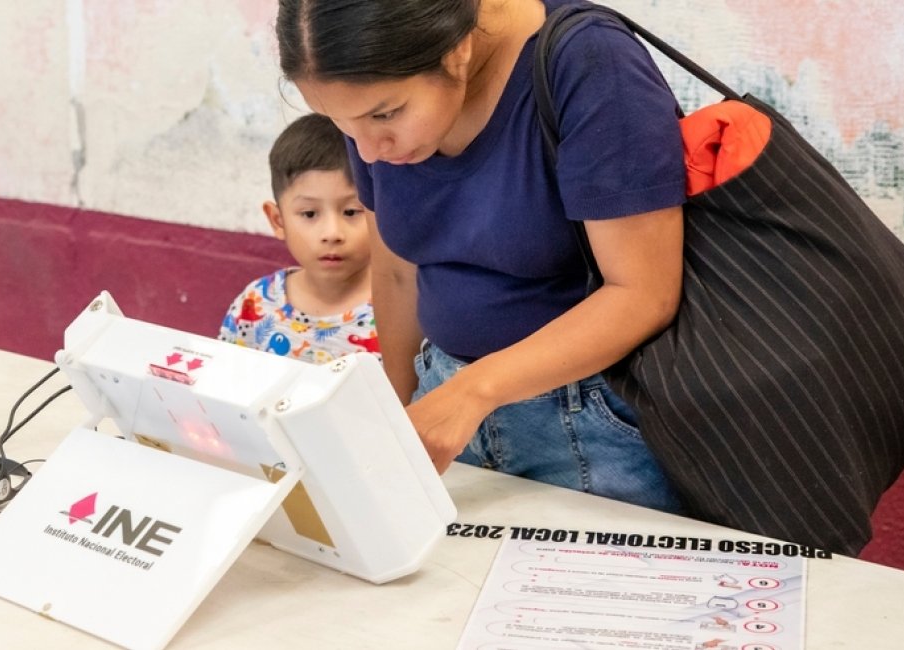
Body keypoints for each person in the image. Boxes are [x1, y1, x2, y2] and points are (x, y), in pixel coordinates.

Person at [274, 0, 684, 513]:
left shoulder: (589, 61)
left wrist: (472, 393)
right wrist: (401, 416)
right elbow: (397, 270)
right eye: (342, 123)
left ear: (459, 49)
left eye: (386, 114)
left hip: (590, 424)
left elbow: (643, 293)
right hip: (446, 403)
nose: (371, 150)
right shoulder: (368, 112)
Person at [218, 113, 381, 365]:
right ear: (277, 220)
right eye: (309, 214)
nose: (332, 234)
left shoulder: (399, 311)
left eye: (351, 212)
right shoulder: (255, 304)